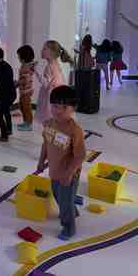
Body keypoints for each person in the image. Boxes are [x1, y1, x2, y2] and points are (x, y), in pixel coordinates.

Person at [35, 85, 86, 241]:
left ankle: (69, 227)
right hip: (55, 171)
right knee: (58, 196)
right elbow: (46, 144)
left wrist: (69, 174)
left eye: (64, 107)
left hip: (68, 173)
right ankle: (72, 210)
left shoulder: (75, 130)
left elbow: (80, 156)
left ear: (73, 109)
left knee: (64, 202)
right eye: (55, 106)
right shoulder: (49, 124)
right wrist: (41, 162)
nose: (58, 110)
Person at [34, 40, 73, 124]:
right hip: (56, 95)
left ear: (51, 52)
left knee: (48, 120)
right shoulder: (55, 64)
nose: (41, 50)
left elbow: (46, 84)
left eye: (44, 49)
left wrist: (36, 70)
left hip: (50, 97)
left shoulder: (50, 66)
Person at [15, 45, 37, 131]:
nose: (18, 58)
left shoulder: (26, 67)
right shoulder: (25, 66)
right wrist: (18, 82)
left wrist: (17, 83)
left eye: (18, 56)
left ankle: (29, 124)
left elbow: (25, 79)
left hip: (26, 91)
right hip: (23, 91)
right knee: (22, 106)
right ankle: (25, 122)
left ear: (23, 58)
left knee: (26, 107)